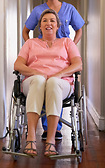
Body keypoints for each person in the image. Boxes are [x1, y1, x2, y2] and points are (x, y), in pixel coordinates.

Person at [22, 0, 85, 140]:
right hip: (42, 55)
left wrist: (71, 45)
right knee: (42, 80)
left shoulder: (69, 9)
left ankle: (54, 128)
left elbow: (79, 29)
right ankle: (46, 129)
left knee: (55, 83)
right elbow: (25, 31)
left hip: (63, 55)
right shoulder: (37, 10)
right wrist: (33, 46)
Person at [14, 9, 82, 157]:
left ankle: (51, 139)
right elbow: (18, 65)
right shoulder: (31, 43)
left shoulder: (67, 42)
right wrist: (37, 73)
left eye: (52, 20)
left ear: (58, 25)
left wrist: (58, 75)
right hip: (33, 82)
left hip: (61, 83)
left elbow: (78, 65)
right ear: (40, 25)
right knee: (39, 80)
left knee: (53, 83)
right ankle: (31, 137)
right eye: (45, 20)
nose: (48, 23)